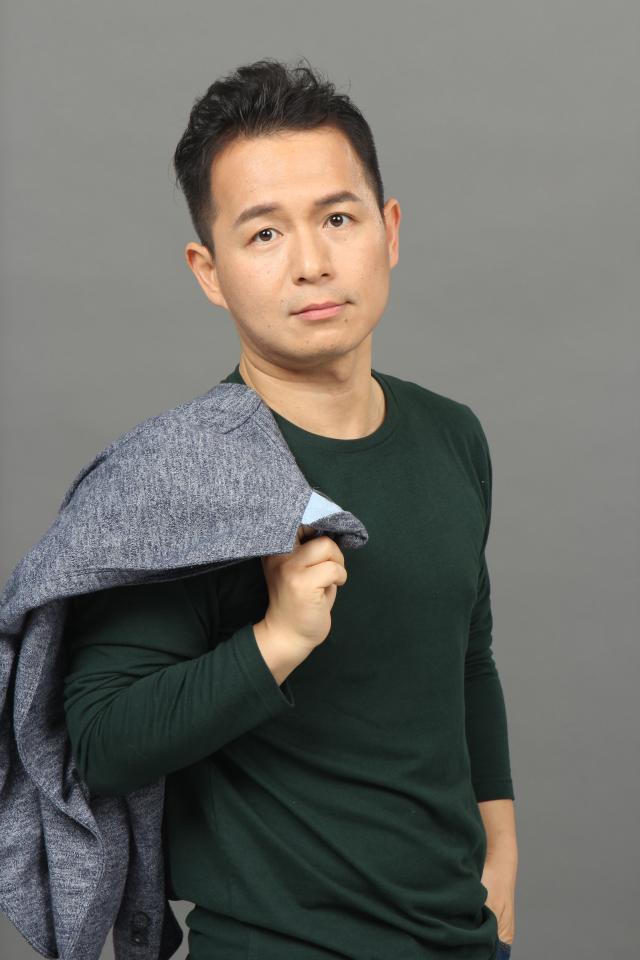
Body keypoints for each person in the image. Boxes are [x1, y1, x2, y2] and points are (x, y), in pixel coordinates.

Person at [63, 57, 518, 960]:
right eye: (264, 233)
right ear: (209, 270)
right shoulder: (186, 475)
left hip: (463, 941)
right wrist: (278, 640)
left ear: (388, 230)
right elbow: (101, 743)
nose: (312, 263)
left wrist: (500, 850)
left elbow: (468, 658)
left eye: (338, 219)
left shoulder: (452, 435)